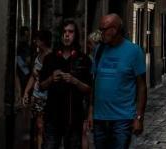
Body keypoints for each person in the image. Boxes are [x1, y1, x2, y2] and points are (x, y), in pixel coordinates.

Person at [87, 13, 146, 148]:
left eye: (104, 29)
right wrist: (91, 112)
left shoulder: (134, 51)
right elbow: (94, 82)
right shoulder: (99, 50)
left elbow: (142, 86)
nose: (101, 33)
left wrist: (139, 117)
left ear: (114, 30)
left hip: (122, 119)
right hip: (100, 119)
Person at [38, 19, 93, 149]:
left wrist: (75, 81)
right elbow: (41, 86)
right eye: (64, 32)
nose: (67, 35)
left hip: (74, 117)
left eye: (70, 32)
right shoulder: (50, 58)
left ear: (75, 35)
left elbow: (89, 89)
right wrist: (51, 78)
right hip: (53, 117)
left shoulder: (83, 59)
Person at [23, 29, 54, 143]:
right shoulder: (38, 55)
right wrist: (26, 92)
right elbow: (32, 76)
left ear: (43, 41)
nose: (35, 41)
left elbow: (51, 77)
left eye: (37, 39)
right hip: (36, 96)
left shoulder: (50, 56)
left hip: (46, 97)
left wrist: (39, 75)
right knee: (37, 127)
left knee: (42, 127)